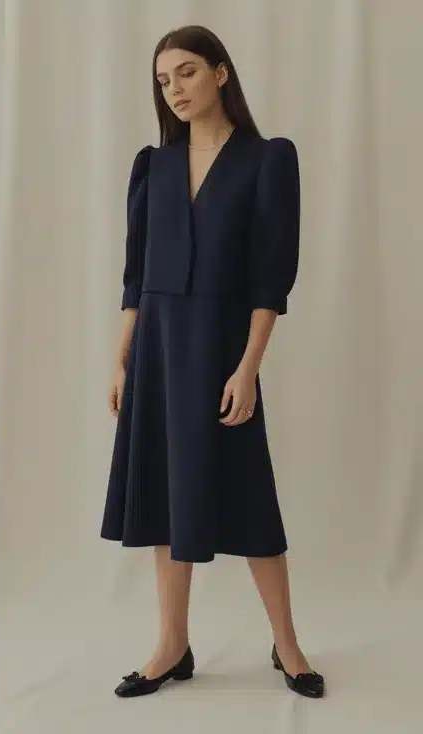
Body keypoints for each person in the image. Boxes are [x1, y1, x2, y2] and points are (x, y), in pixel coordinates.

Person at [101, 25, 324, 699]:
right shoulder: (154, 165)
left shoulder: (267, 159)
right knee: (164, 500)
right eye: (163, 80)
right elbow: (136, 276)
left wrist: (248, 367)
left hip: (223, 348)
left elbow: (270, 278)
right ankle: (172, 645)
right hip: (157, 351)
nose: (174, 90)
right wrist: (121, 361)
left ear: (221, 73)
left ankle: (287, 645)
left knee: (250, 499)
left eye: (187, 73)